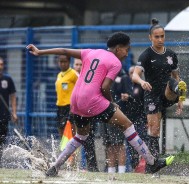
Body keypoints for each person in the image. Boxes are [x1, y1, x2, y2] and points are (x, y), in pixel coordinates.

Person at [26, 31, 174, 177]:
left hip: (75, 100)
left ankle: (55, 166)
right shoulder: (115, 62)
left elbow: (64, 50)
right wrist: (111, 103)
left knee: (81, 136)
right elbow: (104, 87)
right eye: (126, 50)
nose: (127, 54)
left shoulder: (91, 52)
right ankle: (152, 162)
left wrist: (40, 52)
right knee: (127, 125)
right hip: (92, 100)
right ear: (117, 49)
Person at [132, 18, 186, 173]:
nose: (160, 39)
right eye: (157, 36)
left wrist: (180, 100)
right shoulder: (146, 55)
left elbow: (176, 76)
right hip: (152, 95)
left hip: (167, 92)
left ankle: (177, 93)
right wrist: (142, 82)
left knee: (172, 83)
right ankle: (152, 163)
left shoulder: (171, 55)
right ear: (150, 38)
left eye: (162, 36)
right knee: (154, 130)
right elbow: (135, 75)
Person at [73, 58, 99, 172]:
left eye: (80, 64)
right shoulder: (70, 75)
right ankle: (73, 165)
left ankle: (91, 166)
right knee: (74, 138)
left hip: (87, 111)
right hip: (73, 111)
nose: (78, 66)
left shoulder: (88, 77)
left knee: (88, 139)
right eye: (76, 64)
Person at [0, 57, 18, 167]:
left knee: (2, 140)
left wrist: (14, 112)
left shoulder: (8, 79)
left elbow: (13, 96)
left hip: (4, 115)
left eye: (1, 64)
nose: (0, 66)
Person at [55, 55, 78, 137]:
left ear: (69, 62)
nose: (63, 64)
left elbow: (80, 87)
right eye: (61, 62)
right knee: (60, 128)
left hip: (70, 106)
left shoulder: (73, 74)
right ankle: (64, 148)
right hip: (60, 105)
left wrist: (74, 104)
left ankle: (74, 148)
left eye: (65, 62)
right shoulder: (59, 75)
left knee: (71, 128)